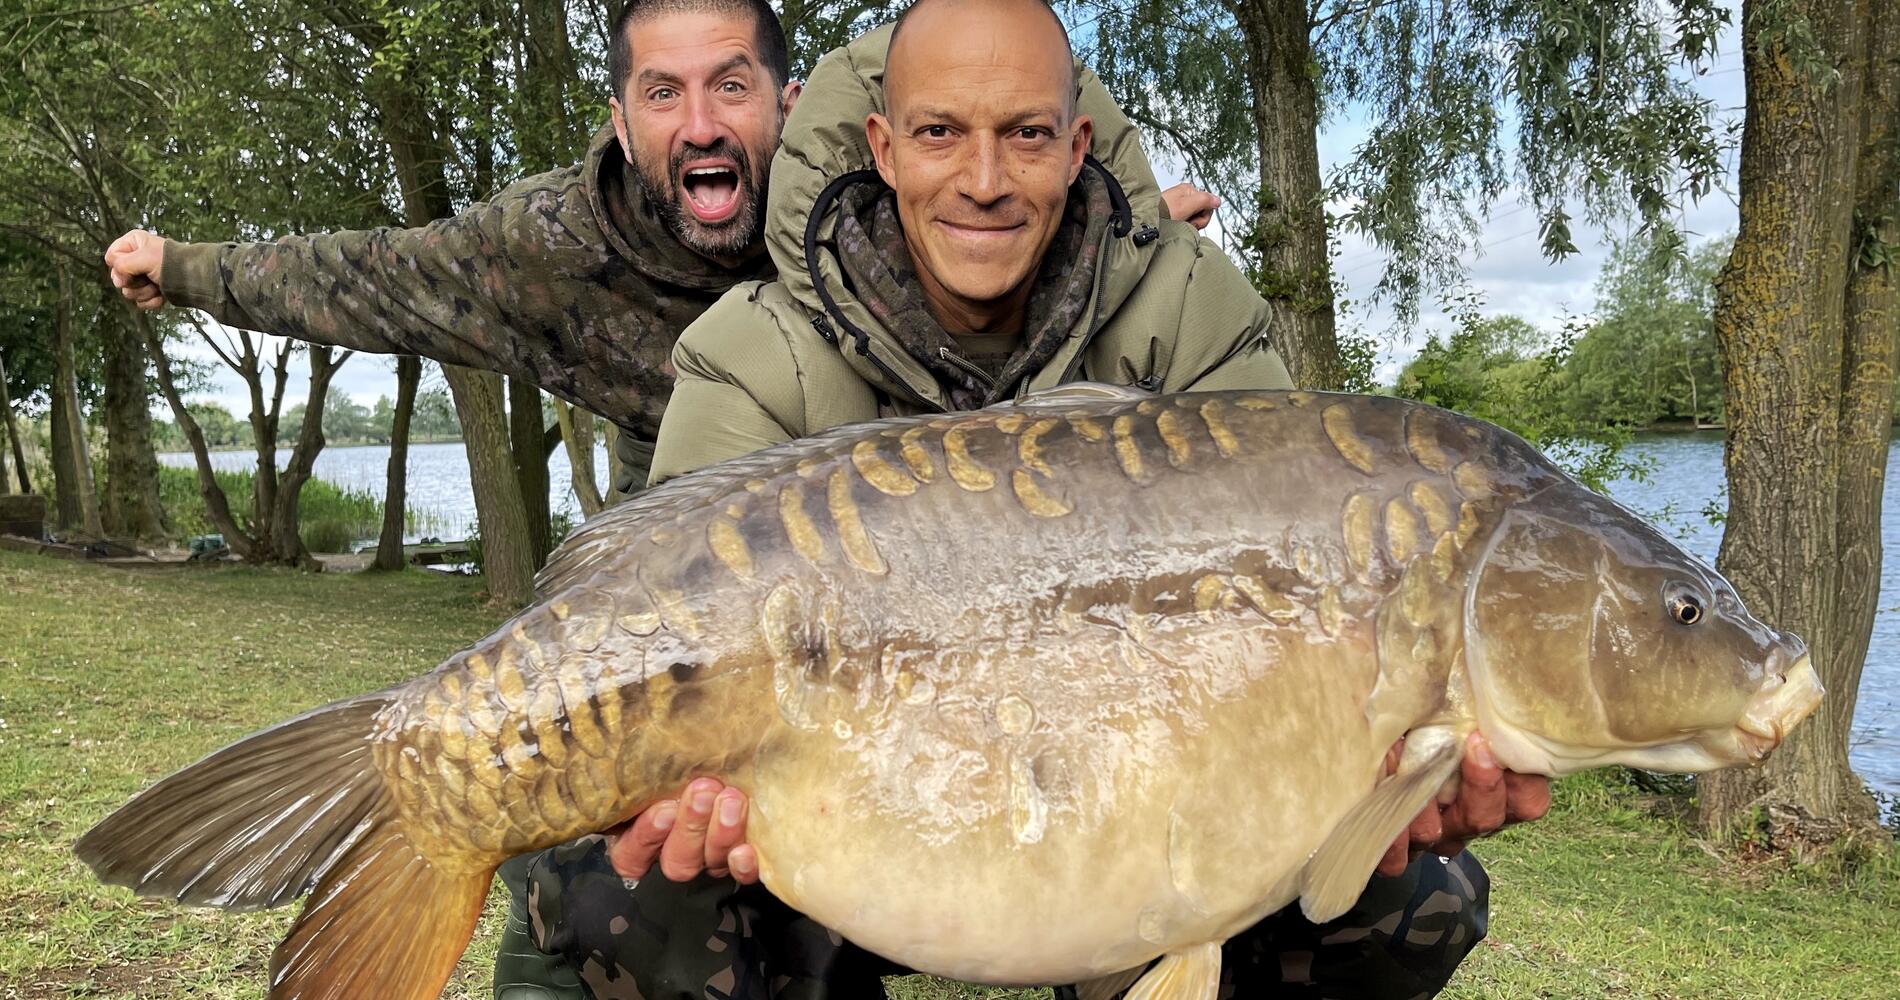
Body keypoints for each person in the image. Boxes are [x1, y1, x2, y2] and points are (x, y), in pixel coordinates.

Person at [98, 3, 1221, 997]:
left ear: (790, 101)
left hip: (917, 583)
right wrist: (187, 268)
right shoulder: (556, 244)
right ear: (620, 118)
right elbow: (377, 276)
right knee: (603, 870)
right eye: (662, 92)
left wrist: (1083, 229)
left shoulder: (884, 197)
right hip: (687, 540)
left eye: (730, 84)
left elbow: (1004, 192)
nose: (701, 124)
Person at [522, 1, 1551, 998]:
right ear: (882, 147)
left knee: (1420, 896)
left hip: (1132, 793)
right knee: (611, 884)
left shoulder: (1191, 309)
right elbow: (657, 621)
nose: (982, 179)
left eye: (1023, 135)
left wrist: (1385, 774)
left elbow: (1295, 584)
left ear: (1075, 145)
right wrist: (667, 785)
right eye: (939, 133)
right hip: (841, 811)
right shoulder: (753, 350)